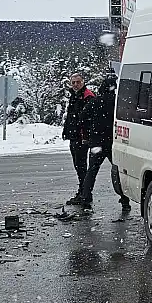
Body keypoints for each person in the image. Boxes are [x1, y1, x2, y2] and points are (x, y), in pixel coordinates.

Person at [77, 73, 120, 210]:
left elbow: (82, 117)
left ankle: (85, 197)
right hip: (113, 142)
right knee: (118, 169)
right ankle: (125, 200)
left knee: (92, 171)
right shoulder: (118, 102)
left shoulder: (96, 101)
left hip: (96, 142)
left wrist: (91, 131)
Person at [61, 72, 95, 205]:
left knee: (81, 167)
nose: (75, 84)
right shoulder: (74, 96)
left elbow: (88, 118)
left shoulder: (87, 96)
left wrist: (85, 135)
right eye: (73, 82)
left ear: (83, 82)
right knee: (78, 166)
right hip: (74, 136)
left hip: (82, 138)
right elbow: (71, 117)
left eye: (78, 82)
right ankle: (83, 191)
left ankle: (85, 193)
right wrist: (67, 131)